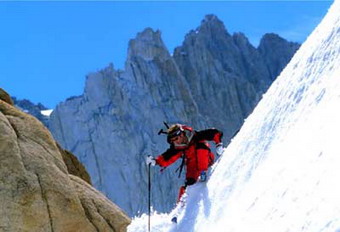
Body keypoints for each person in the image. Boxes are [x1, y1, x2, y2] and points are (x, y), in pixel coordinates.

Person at [146, 123, 224, 202]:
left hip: (206, 160)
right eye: (172, 141)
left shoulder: (195, 136)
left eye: (176, 139)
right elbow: (167, 157)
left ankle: (203, 173)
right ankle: (180, 207)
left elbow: (214, 133)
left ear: (181, 135)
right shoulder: (178, 148)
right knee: (188, 186)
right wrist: (155, 161)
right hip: (192, 166)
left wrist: (218, 144)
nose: (175, 142)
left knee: (201, 148)